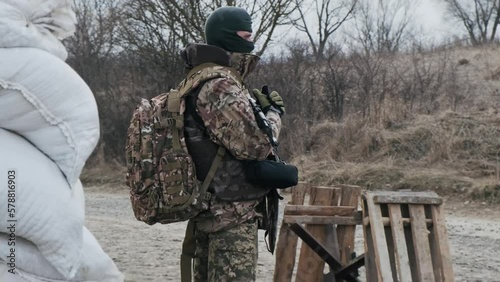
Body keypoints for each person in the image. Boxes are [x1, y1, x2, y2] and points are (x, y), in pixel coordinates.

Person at [179, 6, 286, 282]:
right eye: (245, 35)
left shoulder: (199, 77)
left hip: (211, 211)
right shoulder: (220, 85)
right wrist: (273, 115)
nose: (251, 42)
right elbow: (258, 146)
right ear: (227, 37)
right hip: (230, 216)